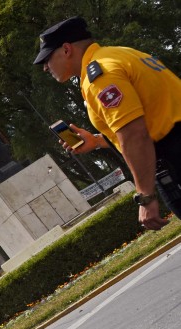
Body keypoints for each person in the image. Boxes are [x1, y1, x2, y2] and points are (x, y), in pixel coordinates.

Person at [34, 16, 181, 230]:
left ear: (66, 49)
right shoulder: (120, 53)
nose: (46, 68)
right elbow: (153, 117)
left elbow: (134, 135)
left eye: (47, 59)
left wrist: (146, 197)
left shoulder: (99, 77)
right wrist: (97, 141)